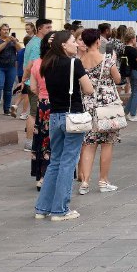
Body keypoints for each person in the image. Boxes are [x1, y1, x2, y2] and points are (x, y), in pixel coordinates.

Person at [35, 31, 95, 221]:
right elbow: (89, 89)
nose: (76, 44)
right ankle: (60, 210)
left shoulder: (47, 64)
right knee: (68, 162)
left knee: (55, 162)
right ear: (63, 45)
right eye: (72, 41)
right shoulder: (73, 63)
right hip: (73, 116)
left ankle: (42, 207)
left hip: (55, 116)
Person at [77, 29, 123, 195]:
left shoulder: (79, 61)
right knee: (107, 144)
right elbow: (118, 79)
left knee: (89, 144)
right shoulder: (107, 60)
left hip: (88, 105)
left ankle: (85, 182)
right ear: (97, 41)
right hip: (107, 106)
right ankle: (103, 181)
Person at [20, 18, 53, 150]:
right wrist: (25, 80)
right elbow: (31, 66)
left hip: (32, 81)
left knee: (36, 112)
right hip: (34, 83)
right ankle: (29, 142)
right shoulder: (37, 44)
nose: (50, 30)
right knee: (34, 113)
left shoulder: (35, 41)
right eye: (48, 28)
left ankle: (34, 138)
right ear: (40, 29)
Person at [29, 33, 54, 190]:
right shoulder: (59, 62)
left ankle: (40, 176)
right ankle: (49, 175)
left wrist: (42, 96)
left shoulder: (37, 63)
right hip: (57, 105)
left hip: (42, 105)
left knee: (41, 140)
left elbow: (32, 87)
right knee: (54, 140)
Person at [0, 23, 22, 116]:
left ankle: (7, 109)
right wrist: (6, 42)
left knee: (8, 89)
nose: (6, 31)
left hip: (11, 67)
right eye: (4, 29)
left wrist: (15, 42)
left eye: (7, 29)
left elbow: (20, 50)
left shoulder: (12, 41)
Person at [121, 31, 137, 122]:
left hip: (131, 72)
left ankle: (126, 112)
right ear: (132, 39)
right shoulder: (133, 50)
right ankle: (133, 114)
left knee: (134, 93)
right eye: (135, 38)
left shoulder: (125, 49)